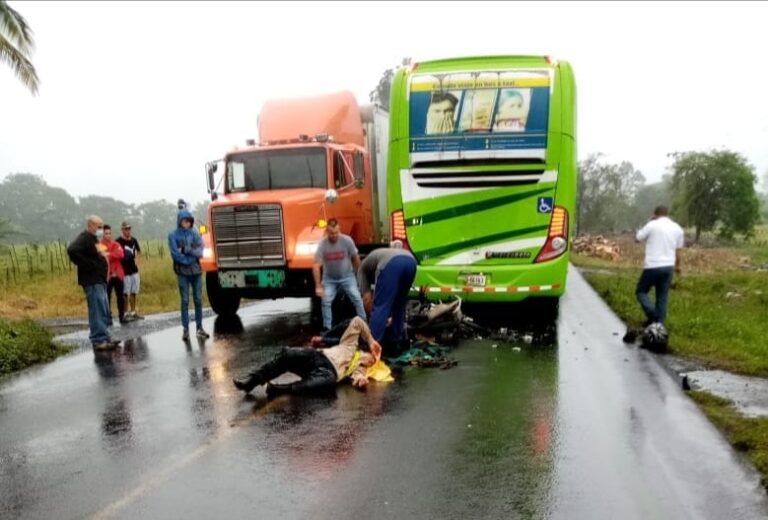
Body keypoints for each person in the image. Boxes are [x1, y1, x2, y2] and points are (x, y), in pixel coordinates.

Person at [233, 316, 382, 395]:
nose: (372, 360)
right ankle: (251, 381)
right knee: (288, 354)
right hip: (317, 357)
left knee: (327, 384)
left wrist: (361, 381)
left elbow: (357, 378)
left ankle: (279, 390)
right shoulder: (350, 345)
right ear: (366, 351)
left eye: (374, 361)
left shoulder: (359, 368)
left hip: (328, 373)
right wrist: (371, 340)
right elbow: (357, 321)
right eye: (372, 356)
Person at [67, 215, 120, 350]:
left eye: (102, 226)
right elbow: (72, 250)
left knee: (102, 309)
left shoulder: (96, 240)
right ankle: (98, 339)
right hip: (92, 280)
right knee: (96, 310)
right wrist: (88, 265)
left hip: (100, 279)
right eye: (99, 226)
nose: (101, 229)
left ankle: (104, 336)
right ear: (90, 226)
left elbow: (103, 255)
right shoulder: (85, 237)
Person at [358, 243, 417, 351]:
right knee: (399, 304)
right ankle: (397, 341)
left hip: (391, 264)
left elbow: (367, 300)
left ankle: (372, 345)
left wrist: (370, 318)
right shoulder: (375, 256)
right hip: (411, 262)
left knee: (380, 306)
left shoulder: (361, 271)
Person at [312, 218, 367, 332]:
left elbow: (355, 258)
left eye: (337, 232)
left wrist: (360, 276)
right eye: (332, 233)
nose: (334, 235)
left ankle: (364, 322)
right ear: (327, 232)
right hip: (329, 279)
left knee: (356, 297)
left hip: (347, 276)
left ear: (339, 230)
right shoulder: (322, 244)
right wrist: (318, 286)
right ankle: (327, 327)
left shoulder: (347, 241)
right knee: (326, 301)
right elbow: (316, 265)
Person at [634, 205, 684, 326]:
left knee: (641, 291)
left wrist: (649, 222)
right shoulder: (677, 228)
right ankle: (658, 326)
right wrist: (677, 266)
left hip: (652, 265)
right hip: (668, 266)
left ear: (654, 214)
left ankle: (652, 314)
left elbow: (637, 238)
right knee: (662, 296)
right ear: (667, 214)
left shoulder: (652, 224)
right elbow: (678, 251)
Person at [168, 207, 210, 341]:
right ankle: (185, 329)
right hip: (182, 271)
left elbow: (201, 250)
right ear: (180, 221)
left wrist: (186, 250)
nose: (187, 223)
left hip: (196, 270)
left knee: (198, 299)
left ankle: (199, 328)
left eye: (189, 221)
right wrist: (188, 258)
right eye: (184, 221)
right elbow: (175, 254)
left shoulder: (195, 233)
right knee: (185, 300)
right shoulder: (173, 235)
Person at [116, 221, 142, 320]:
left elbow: (139, 252)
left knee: (134, 291)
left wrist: (137, 262)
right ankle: (125, 313)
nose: (128, 231)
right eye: (126, 229)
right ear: (122, 230)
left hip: (133, 269)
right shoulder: (118, 241)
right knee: (125, 292)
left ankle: (133, 312)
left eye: (129, 228)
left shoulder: (133, 240)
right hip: (124, 270)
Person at [100, 224, 126, 325]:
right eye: (106, 233)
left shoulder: (116, 244)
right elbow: (102, 258)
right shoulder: (99, 245)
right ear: (102, 234)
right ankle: (108, 317)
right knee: (107, 297)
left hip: (118, 274)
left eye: (110, 233)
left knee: (120, 296)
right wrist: (111, 255)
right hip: (108, 275)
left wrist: (109, 254)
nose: (108, 235)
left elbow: (121, 254)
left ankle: (121, 316)